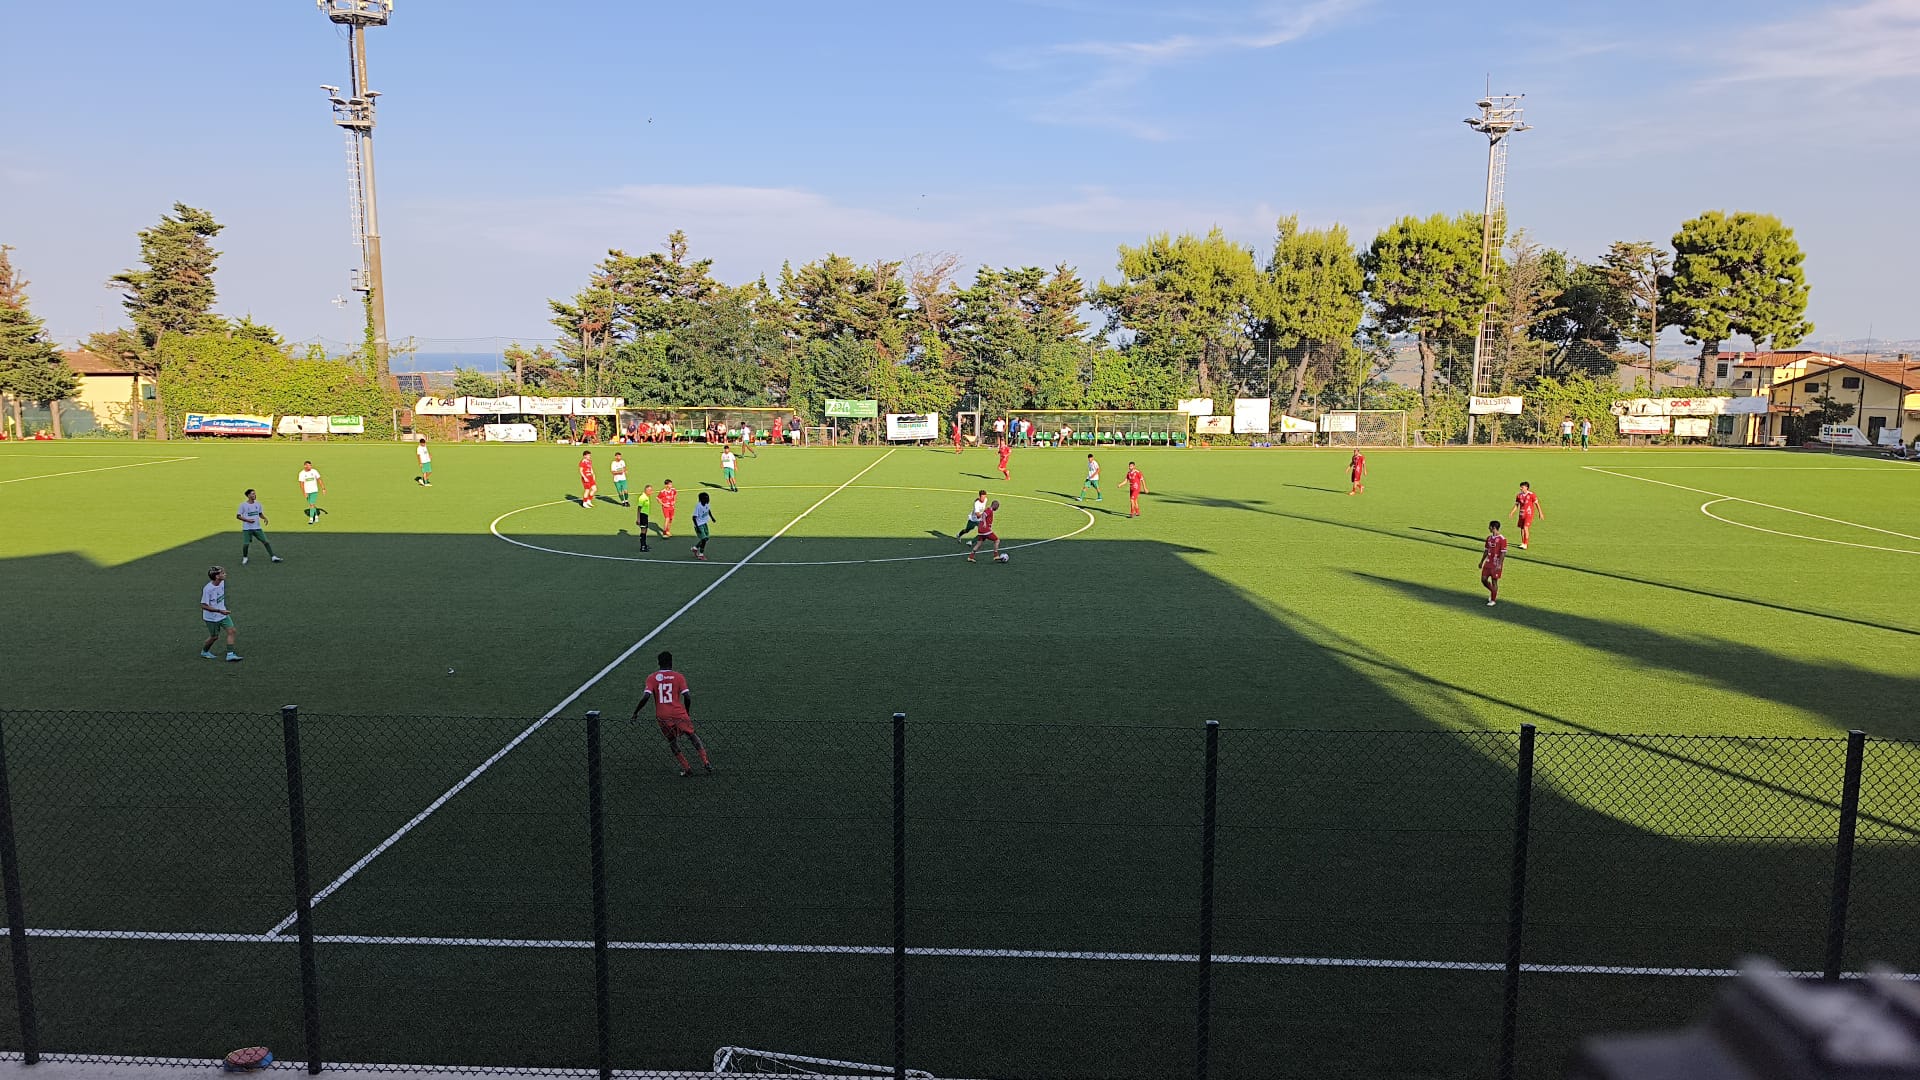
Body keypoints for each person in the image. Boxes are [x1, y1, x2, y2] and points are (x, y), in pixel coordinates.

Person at [631, 651, 712, 777]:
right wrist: (687, 712)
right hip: (679, 713)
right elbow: (687, 696)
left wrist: (636, 712)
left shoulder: (652, 678)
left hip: (663, 715)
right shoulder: (679, 677)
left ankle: (686, 768)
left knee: (672, 741)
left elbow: (646, 696)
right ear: (671, 662)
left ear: (659, 663)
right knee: (692, 736)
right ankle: (705, 761)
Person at [200, 565, 242, 662]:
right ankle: (204, 651)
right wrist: (219, 611)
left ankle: (230, 655)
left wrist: (222, 611)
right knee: (214, 637)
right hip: (212, 618)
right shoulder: (208, 589)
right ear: (217, 576)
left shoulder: (222, 582)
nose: (225, 574)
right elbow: (203, 605)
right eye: (222, 573)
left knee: (232, 631)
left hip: (223, 614)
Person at [236, 489, 282, 565]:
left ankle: (273, 557)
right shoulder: (243, 505)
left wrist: (264, 518)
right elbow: (238, 516)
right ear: (248, 495)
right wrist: (247, 520)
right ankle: (245, 557)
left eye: (254, 494)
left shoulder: (258, 504)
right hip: (247, 529)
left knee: (266, 542)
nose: (254, 495)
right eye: (253, 494)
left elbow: (260, 513)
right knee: (246, 544)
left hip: (257, 528)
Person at [1479, 520, 1508, 607]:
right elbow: (1486, 550)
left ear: (1494, 528)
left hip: (1496, 564)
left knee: (1494, 581)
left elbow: (1503, 553)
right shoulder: (1489, 538)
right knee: (1483, 579)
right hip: (1488, 563)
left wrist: (1499, 564)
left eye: (1490, 527)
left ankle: (1493, 600)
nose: (1489, 528)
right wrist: (1481, 561)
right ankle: (1493, 592)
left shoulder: (1502, 539)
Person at [1509, 481, 1543, 549]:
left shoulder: (1531, 495)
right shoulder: (1519, 495)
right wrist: (1512, 512)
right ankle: (1523, 542)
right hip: (1521, 514)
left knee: (1525, 527)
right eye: (1520, 487)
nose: (1520, 488)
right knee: (1522, 528)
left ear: (1526, 487)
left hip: (1529, 514)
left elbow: (1537, 504)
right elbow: (1516, 505)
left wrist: (1540, 513)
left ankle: (1525, 544)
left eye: (1522, 487)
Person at [297, 461, 327, 525]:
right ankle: (316, 515)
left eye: (310, 465)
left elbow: (319, 480)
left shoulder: (314, 471)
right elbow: (301, 484)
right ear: (305, 466)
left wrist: (323, 488)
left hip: (314, 491)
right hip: (307, 491)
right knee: (312, 504)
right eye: (309, 465)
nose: (310, 467)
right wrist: (304, 492)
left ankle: (311, 519)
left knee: (311, 504)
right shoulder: (301, 473)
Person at [691, 490, 715, 560]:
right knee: (704, 539)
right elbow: (694, 517)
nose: (708, 499)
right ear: (702, 499)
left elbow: (708, 510)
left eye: (708, 498)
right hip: (699, 525)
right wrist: (697, 528)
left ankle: (695, 548)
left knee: (706, 538)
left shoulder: (707, 504)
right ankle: (701, 555)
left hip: (704, 523)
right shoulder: (698, 506)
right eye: (706, 498)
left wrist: (712, 518)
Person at [634, 483, 654, 552]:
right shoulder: (642, 498)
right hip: (642, 515)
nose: (651, 492)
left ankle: (644, 545)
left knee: (645, 530)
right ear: (646, 490)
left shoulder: (646, 497)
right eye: (650, 490)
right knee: (643, 531)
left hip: (645, 515)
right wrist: (638, 519)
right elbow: (639, 508)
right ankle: (642, 547)